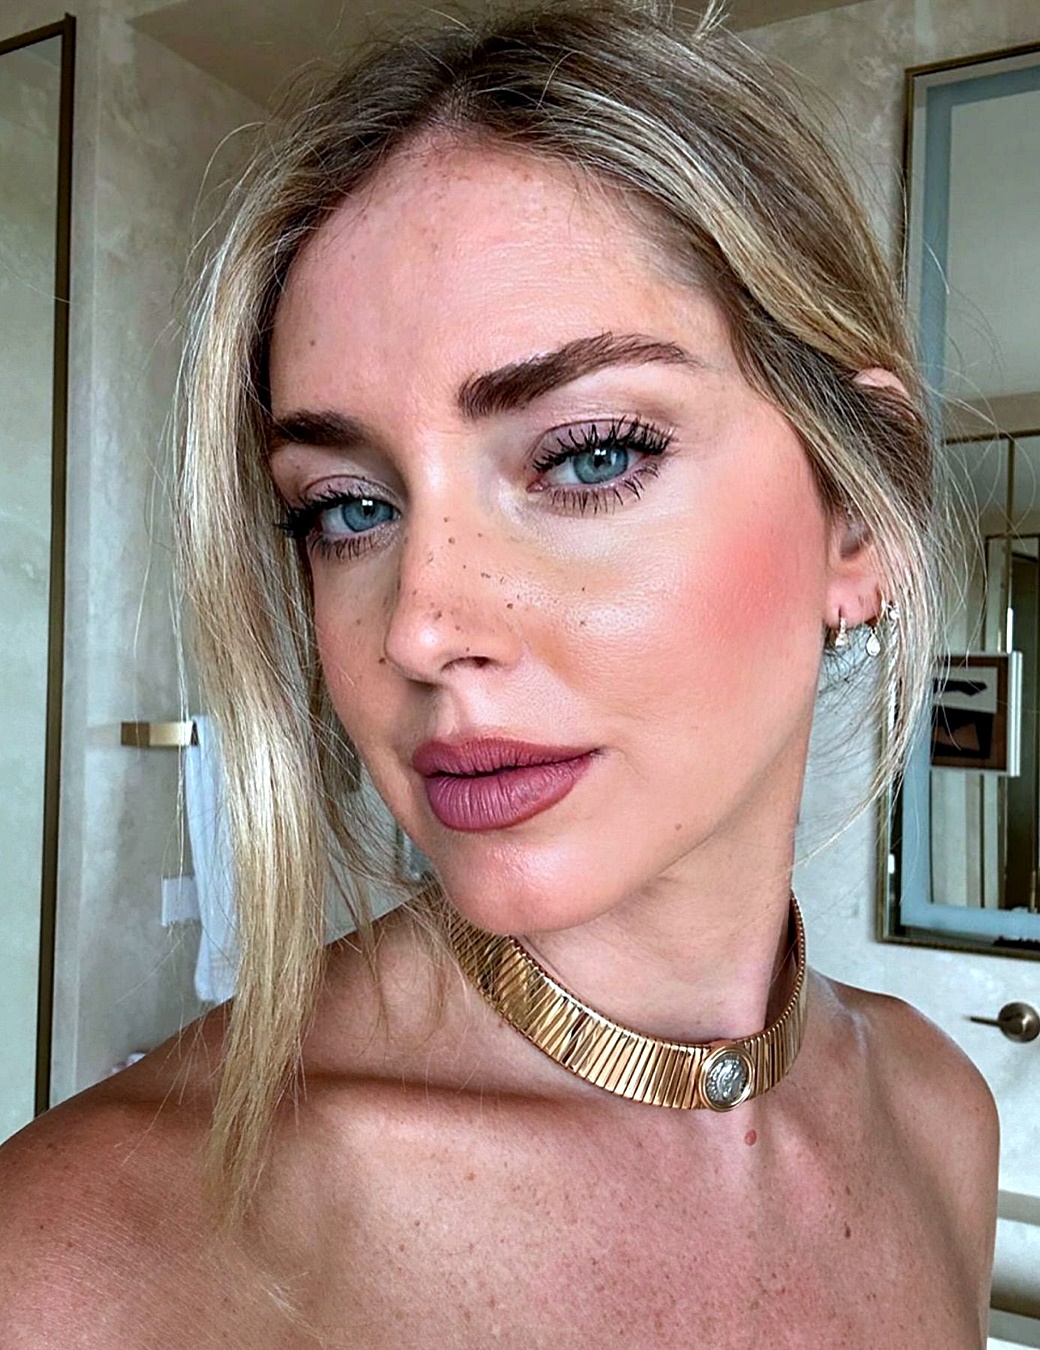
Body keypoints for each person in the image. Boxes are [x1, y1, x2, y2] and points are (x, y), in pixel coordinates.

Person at [0, 2, 999, 1345]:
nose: (419, 628)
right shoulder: (82, 1263)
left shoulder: (941, 1117)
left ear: (859, 520)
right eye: (347, 508)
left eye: (591, 455)